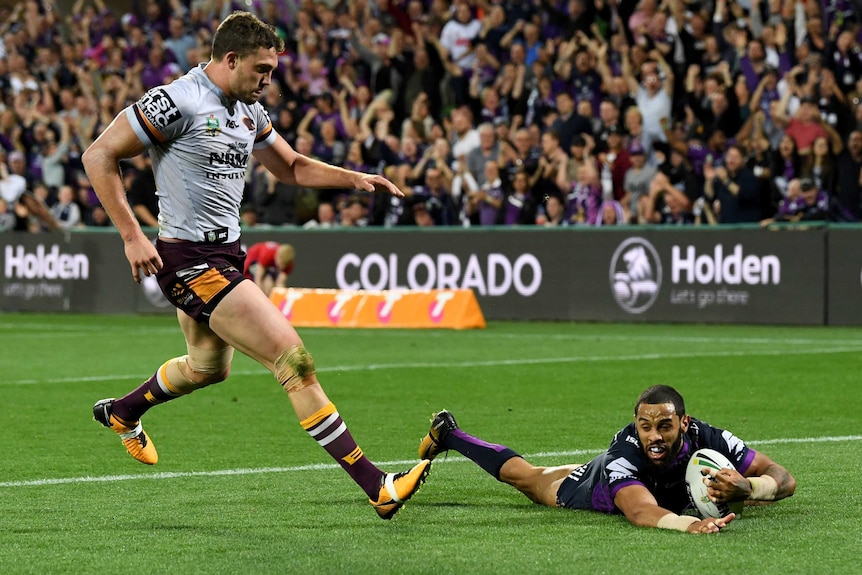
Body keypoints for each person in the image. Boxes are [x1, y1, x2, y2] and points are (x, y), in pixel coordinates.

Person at [81, 11, 430, 520]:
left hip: (226, 255)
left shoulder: (250, 110)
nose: (269, 80)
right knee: (293, 362)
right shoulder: (178, 100)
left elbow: (289, 165)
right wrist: (132, 236)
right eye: (261, 68)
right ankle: (377, 484)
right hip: (188, 259)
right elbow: (99, 155)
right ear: (230, 59)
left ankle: (122, 411)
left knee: (207, 368)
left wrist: (353, 178)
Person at [418, 385, 796, 533]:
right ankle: (450, 434)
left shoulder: (705, 436)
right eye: (645, 426)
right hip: (597, 487)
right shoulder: (625, 453)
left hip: (665, 487)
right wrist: (688, 526)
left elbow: (782, 477)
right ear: (636, 425)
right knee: (532, 480)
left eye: (665, 426)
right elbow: (639, 512)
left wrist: (752, 487)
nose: (654, 436)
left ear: (684, 422)